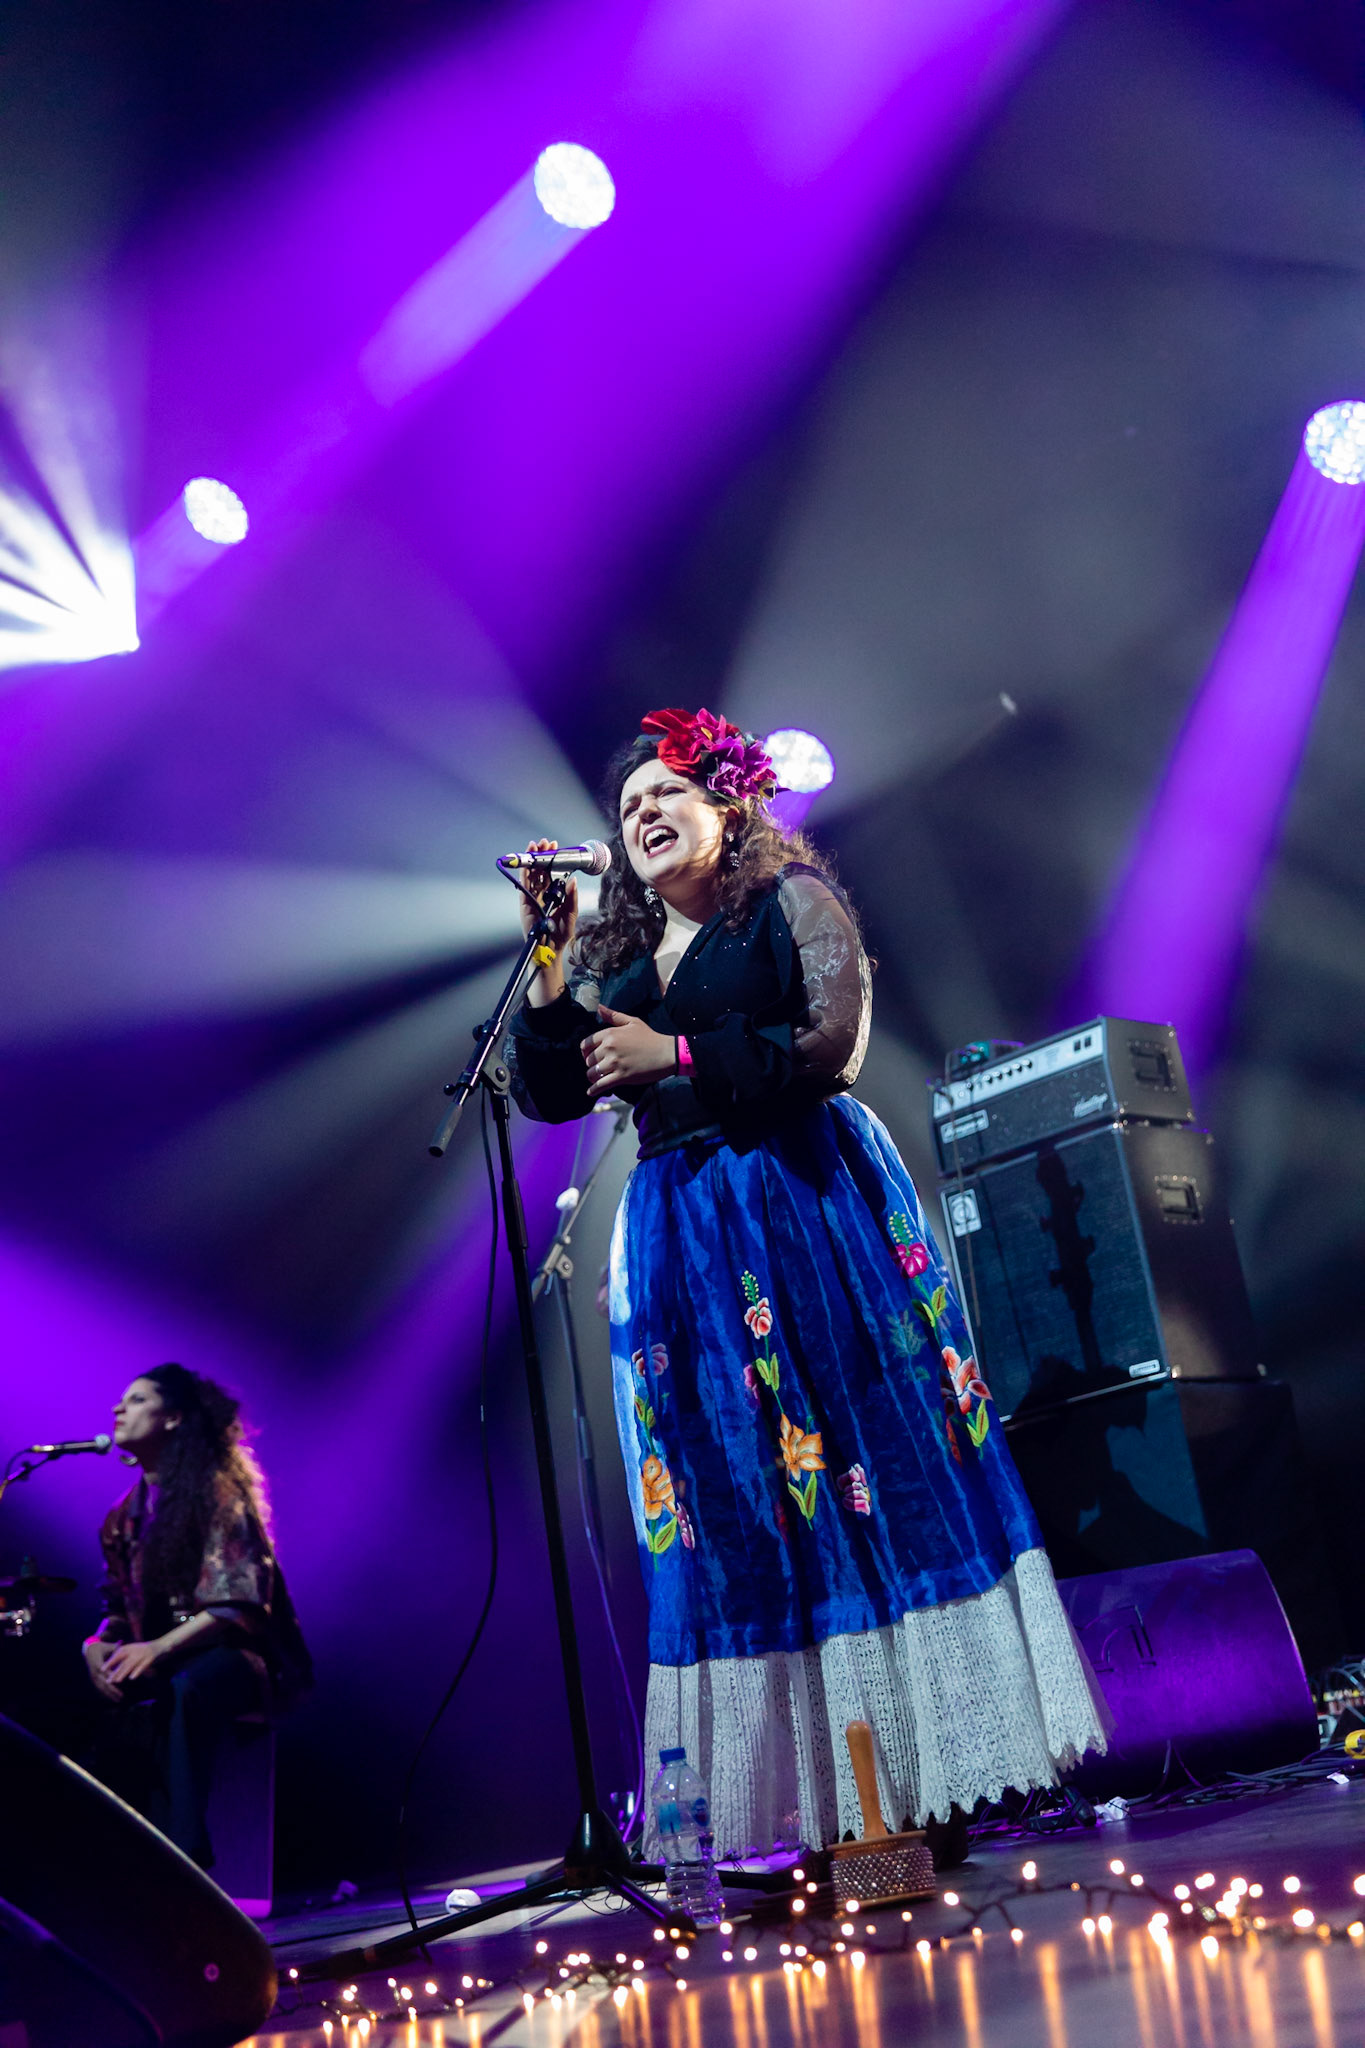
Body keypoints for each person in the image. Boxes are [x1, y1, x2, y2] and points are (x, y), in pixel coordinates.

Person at [508, 706, 1107, 1861]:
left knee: (861, 1462)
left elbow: (832, 1042)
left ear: (727, 803)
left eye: (663, 795)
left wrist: (676, 1055)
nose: (641, 818)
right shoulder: (618, 960)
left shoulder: (788, 904)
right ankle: (828, 1808)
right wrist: (546, 964)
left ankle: (921, 1797)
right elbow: (549, 1093)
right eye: (628, 809)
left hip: (803, 1207)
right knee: (739, 1494)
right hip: (686, 1234)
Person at [83, 1363, 311, 1869]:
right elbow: (117, 1608)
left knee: (185, 1690)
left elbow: (239, 1604)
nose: (120, 1409)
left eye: (138, 1399)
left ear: (174, 1419)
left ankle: (184, 1862)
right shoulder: (122, 1518)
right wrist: (95, 1645)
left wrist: (158, 1649)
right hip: (165, 1659)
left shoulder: (219, 1495)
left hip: (240, 1658)